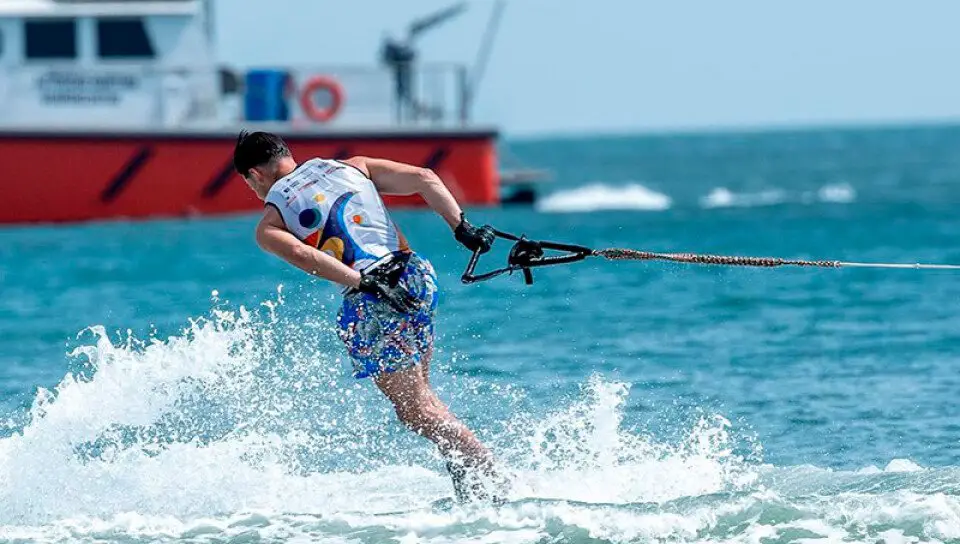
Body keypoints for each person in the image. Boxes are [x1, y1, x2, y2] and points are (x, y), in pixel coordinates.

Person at [232, 130, 508, 503]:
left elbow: (305, 257)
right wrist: (462, 228)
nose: (254, 191)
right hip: (416, 277)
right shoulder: (352, 166)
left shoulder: (270, 221)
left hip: (374, 300)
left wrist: (362, 281)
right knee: (421, 396)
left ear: (255, 174)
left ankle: (490, 476)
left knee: (414, 410)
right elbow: (425, 178)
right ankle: (466, 476)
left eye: (250, 185)